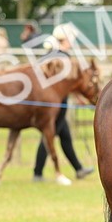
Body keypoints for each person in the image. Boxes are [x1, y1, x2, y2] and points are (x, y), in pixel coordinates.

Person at [33, 25, 94, 182]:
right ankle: (37, 173)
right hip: (58, 103)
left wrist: (76, 97)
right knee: (50, 135)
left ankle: (78, 169)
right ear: (65, 40)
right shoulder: (64, 57)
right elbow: (67, 83)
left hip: (53, 101)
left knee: (64, 135)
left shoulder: (50, 55)